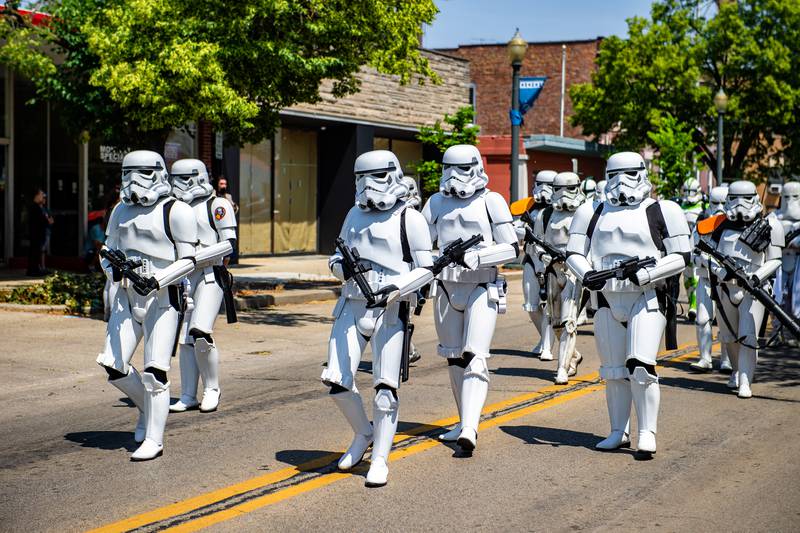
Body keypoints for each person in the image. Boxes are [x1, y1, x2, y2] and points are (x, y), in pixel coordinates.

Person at [97, 150, 231, 461]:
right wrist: (113, 271)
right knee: (113, 366)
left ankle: (154, 438)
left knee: (155, 372)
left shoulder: (176, 211)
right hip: (127, 295)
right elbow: (107, 250)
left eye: (142, 172)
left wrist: (158, 280)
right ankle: (147, 407)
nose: (134, 180)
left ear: (157, 172)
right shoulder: (119, 210)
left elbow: (188, 259)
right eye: (128, 173)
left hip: (163, 297)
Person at [323, 150, 436, 487]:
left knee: (385, 388)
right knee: (337, 380)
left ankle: (381, 458)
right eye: (361, 178)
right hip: (352, 303)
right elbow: (336, 255)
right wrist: (341, 268)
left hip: (390, 308)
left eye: (376, 176)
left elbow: (427, 269)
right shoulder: (353, 214)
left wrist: (397, 288)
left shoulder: (409, 218)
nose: (368, 185)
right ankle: (363, 433)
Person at [566, 151, 691, 456]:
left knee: (641, 367)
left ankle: (647, 432)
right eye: (614, 175)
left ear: (642, 173)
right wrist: (587, 274)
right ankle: (617, 431)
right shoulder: (590, 211)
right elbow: (574, 253)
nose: (621, 182)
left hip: (646, 297)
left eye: (629, 174)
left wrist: (649, 273)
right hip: (606, 299)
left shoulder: (663, 210)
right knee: (613, 372)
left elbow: (682, 256)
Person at [422, 144, 518, 453]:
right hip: (446, 287)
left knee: (475, 355)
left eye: (462, 168)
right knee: (453, 357)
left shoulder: (491, 201)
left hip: (480, 285)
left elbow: (512, 247)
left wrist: (480, 256)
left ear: (476, 167)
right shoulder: (436, 203)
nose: (455, 176)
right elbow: (418, 244)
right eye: (449, 168)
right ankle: (463, 420)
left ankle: (470, 428)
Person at [698, 180, 784, 398]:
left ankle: (745, 381)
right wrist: (720, 272)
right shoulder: (717, 225)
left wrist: (756, 277)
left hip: (753, 290)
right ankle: (737, 370)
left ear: (755, 198)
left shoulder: (770, 226)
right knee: (728, 336)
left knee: (748, 335)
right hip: (725, 287)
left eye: (745, 199)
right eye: (734, 198)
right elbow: (704, 255)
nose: (740, 204)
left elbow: (775, 260)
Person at [169, 159, 237, 414]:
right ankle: (188, 394)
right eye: (176, 178)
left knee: (200, 332)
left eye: (185, 178)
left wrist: (196, 257)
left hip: (210, 274)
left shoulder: (217, 205)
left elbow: (229, 243)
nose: (180, 184)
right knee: (185, 338)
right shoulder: (174, 209)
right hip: (185, 277)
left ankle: (212, 388)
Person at [534, 172, 587, 384]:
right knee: (555, 322)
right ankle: (573, 355)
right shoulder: (545, 215)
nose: (564, 194)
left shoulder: (586, 213)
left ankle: (562, 369)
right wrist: (543, 257)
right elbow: (537, 243)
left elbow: (592, 243)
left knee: (568, 322)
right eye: (559, 189)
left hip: (574, 272)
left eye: (570, 189)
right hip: (553, 271)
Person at [515, 170, 556, 360]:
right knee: (531, 305)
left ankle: (547, 346)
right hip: (531, 258)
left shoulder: (559, 210)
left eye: (548, 185)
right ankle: (544, 338)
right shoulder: (528, 206)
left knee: (549, 306)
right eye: (540, 184)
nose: (543, 189)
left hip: (551, 261)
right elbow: (514, 227)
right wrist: (526, 232)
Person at [691, 186, 732, 371]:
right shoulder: (701, 226)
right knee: (702, 319)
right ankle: (705, 358)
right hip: (706, 279)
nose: (720, 207)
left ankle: (727, 360)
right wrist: (699, 259)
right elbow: (691, 252)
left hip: (726, 282)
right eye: (716, 203)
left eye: (724, 202)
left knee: (727, 322)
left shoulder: (734, 227)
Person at [774, 181, 800, 339]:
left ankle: (794, 335)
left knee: (796, 300)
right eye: (787, 197)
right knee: (778, 299)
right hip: (780, 262)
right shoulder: (775, 218)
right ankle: (777, 333)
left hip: (798, 264)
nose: (790, 201)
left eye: (795, 196)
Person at [680, 178, 705, 321]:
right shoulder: (680, 206)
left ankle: (695, 307)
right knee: (687, 279)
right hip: (683, 246)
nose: (689, 194)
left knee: (696, 278)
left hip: (696, 246)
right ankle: (692, 304)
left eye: (691, 191)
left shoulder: (703, 206)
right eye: (687, 191)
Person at [26, 187, 54, 276]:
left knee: (37, 252)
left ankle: (35, 269)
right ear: (37, 195)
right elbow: (41, 220)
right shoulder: (34, 208)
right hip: (36, 234)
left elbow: (47, 220)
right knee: (35, 252)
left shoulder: (38, 207)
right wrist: (46, 220)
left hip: (39, 234)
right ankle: (33, 270)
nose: (43, 196)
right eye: (42, 194)